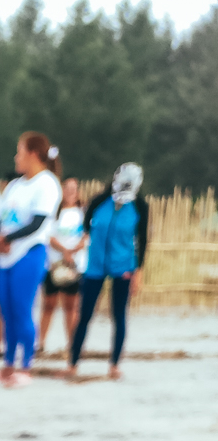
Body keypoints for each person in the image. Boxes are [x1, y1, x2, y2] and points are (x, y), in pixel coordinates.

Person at [68, 164, 149, 382]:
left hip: (123, 266)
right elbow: (85, 227)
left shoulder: (140, 207)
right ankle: (73, 363)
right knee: (84, 314)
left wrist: (138, 272)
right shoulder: (98, 202)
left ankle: (114, 364)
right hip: (95, 265)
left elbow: (142, 240)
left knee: (119, 315)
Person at [0, 133, 61, 386]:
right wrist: (0, 239)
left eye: (19, 152)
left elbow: (37, 222)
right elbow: (4, 219)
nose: (15, 158)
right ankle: (8, 365)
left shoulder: (47, 183)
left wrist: (8, 239)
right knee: (6, 310)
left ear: (32, 154)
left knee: (22, 309)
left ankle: (26, 366)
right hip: (7, 256)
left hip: (30, 253)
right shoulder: (16, 185)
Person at [37, 176, 86, 354]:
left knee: (71, 306)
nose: (70, 193)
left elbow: (86, 236)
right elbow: (49, 236)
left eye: (73, 189)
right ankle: (40, 342)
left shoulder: (83, 213)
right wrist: (64, 251)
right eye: (67, 189)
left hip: (75, 265)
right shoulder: (54, 213)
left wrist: (72, 252)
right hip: (54, 264)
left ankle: (72, 343)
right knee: (48, 304)